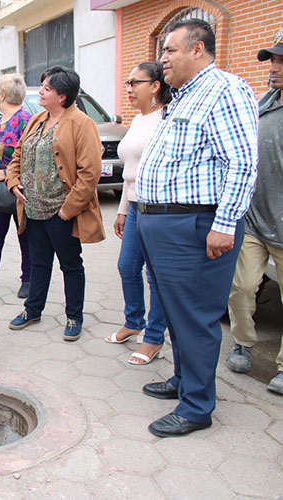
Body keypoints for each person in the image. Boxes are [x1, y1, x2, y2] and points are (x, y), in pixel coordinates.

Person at [136, 19, 258, 437]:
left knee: (195, 316)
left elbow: (241, 163)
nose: (163, 59)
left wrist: (224, 225)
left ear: (198, 49)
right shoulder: (185, 95)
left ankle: (197, 407)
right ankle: (183, 380)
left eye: (170, 50)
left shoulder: (225, 90)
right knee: (175, 311)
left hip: (195, 224)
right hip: (163, 223)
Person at [6, 66, 105, 341]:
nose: (40, 91)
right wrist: (13, 182)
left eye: (46, 88)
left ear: (62, 96)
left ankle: (74, 316)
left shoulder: (82, 123)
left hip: (61, 212)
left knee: (70, 265)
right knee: (38, 263)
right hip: (33, 208)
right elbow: (17, 154)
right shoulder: (37, 119)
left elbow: (90, 172)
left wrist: (68, 209)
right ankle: (33, 310)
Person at [226, 27, 283, 395]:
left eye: (281, 62)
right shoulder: (264, 104)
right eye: (272, 60)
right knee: (241, 287)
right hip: (254, 220)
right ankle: (243, 342)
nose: (273, 68)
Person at [104, 62, 171, 365]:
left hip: (157, 209)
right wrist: (122, 209)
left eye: (135, 83)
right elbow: (131, 172)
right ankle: (134, 321)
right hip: (134, 207)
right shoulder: (139, 119)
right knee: (127, 267)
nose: (129, 88)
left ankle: (154, 337)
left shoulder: (166, 119)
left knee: (154, 276)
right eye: (128, 83)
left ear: (155, 86)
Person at [0, 74, 32, 298]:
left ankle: (28, 279)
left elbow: (32, 157)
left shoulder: (26, 120)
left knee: (25, 236)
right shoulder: (0, 119)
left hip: (19, 189)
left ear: (2, 95)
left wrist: (10, 173)